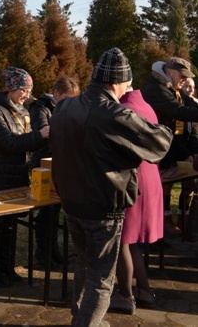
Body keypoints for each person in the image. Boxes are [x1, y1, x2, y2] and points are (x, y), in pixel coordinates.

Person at [50, 48, 172, 327]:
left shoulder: (65, 106)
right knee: (101, 277)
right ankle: (87, 323)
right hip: (102, 206)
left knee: (83, 262)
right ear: (118, 83)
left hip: (70, 202)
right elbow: (160, 144)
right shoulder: (115, 113)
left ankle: (80, 316)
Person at [0, 67, 49, 288]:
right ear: (10, 89)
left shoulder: (22, 111)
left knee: (11, 223)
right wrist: (40, 136)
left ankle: (8, 266)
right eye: (23, 90)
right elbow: (8, 143)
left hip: (16, 175)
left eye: (29, 90)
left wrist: (42, 138)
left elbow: (26, 142)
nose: (26, 94)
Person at [109, 89, 165, 315]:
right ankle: (144, 292)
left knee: (123, 239)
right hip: (150, 178)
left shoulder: (123, 109)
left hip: (132, 181)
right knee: (131, 242)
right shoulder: (147, 107)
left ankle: (126, 296)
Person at [141, 57, 198, 236]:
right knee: (157, 192)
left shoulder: (172, 88)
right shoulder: (156, 89)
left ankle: (175, 223)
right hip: (155, 151)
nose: (183, 80)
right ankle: (157, 229)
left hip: (171, 148)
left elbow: (189, 105)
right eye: (182, 76)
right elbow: (178, 111)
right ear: (169, 73)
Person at [29, 76, 80, 267]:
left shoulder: (67, 108)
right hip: (43, 162)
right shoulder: (40, 107)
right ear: (56, 94)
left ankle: (53, 250)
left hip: (60, 162)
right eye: (66, 99)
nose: (69, 104)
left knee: (56, 208)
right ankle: (42, 252)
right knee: (45, 210)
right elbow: (42, 129)